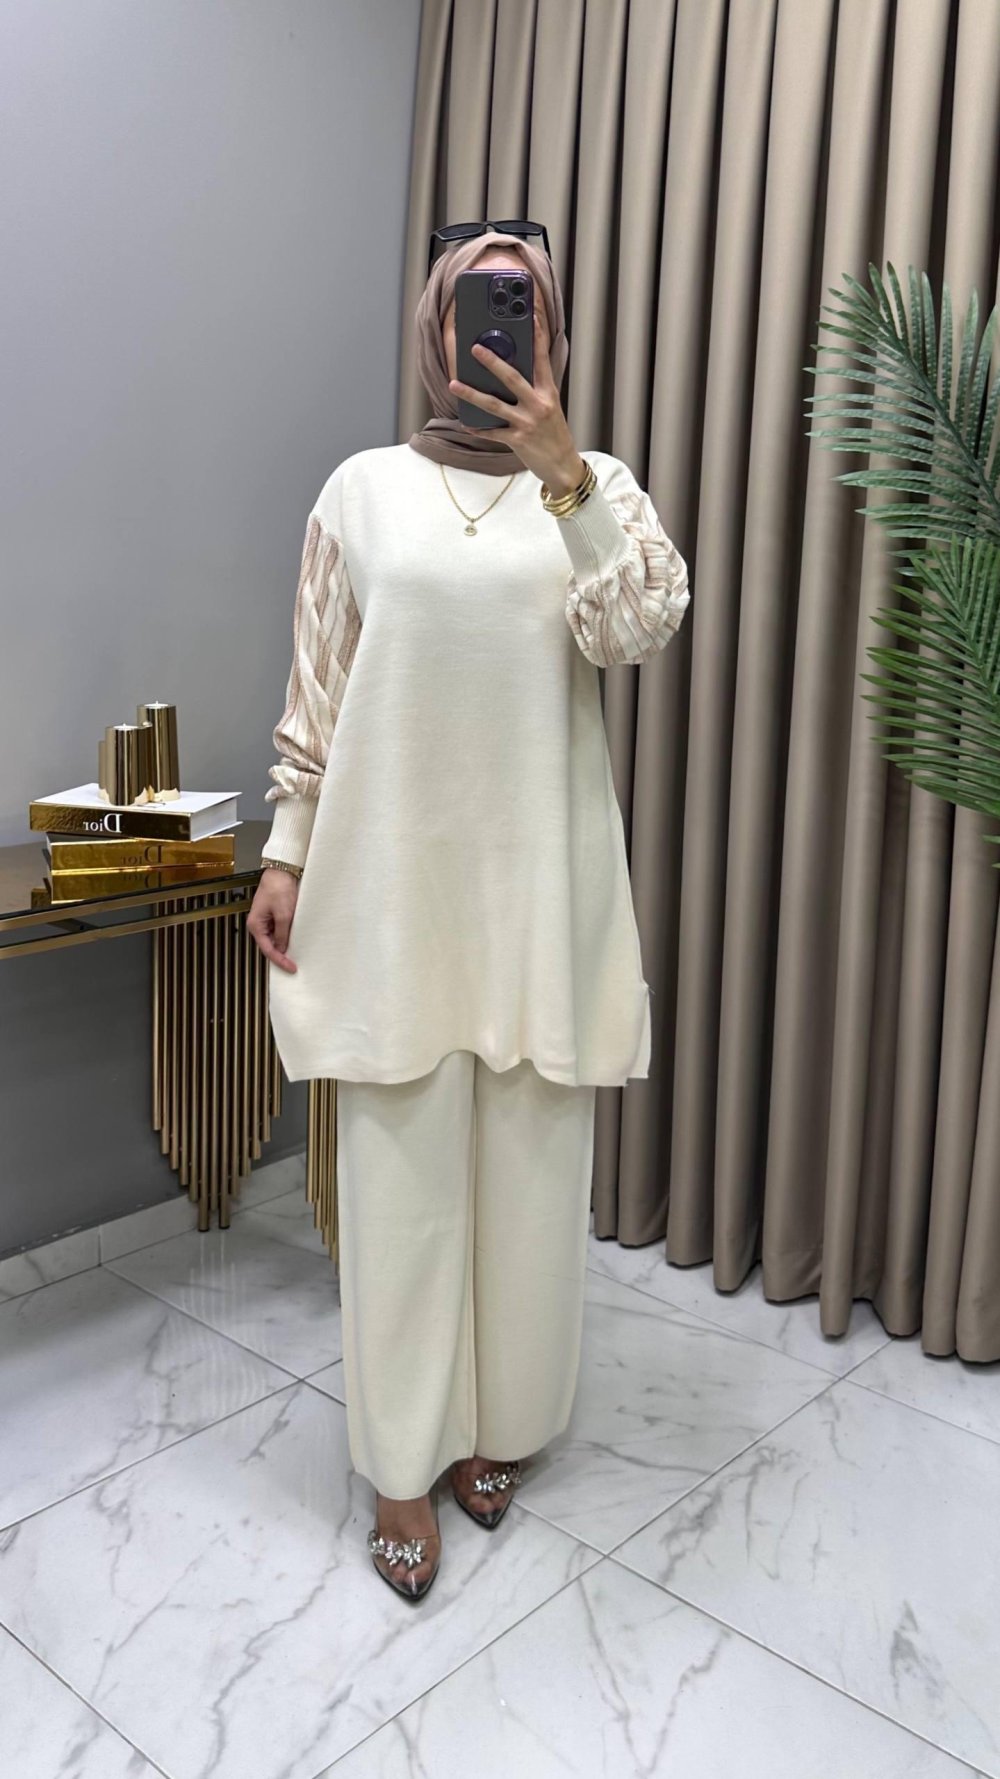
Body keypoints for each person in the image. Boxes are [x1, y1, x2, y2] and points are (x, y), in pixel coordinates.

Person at [247, 225, 691, 1601]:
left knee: (533, 1186)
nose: (502, 325)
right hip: (391, 887)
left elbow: (638, 631)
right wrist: (286, 851)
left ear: (551, 332)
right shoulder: (362, 491)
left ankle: (502, 1430)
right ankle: (402, 1464)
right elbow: (320, 688)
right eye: (478, 302)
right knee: (401, 1190)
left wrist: (568, 479)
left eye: (525, 303)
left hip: (540, 889)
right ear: (437, 327)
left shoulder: (596, 487)